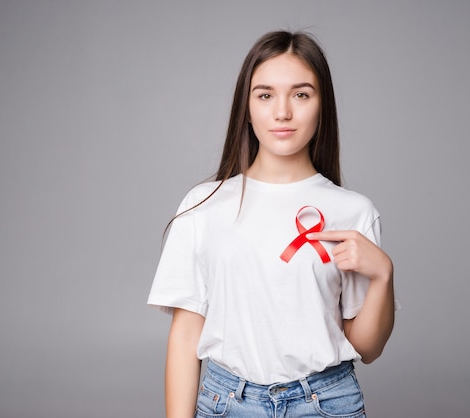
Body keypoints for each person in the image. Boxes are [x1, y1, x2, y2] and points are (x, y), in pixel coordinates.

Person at [148, 30, 398, 418]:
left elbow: (368, 348)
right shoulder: (204, 205)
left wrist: (383, 274)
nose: (283, 112)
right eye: (265, 95)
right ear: (246, 107)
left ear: (322, 104)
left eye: (301, 94)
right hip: (227, 403)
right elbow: (184, 337)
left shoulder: (355, 212)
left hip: (326, 403)